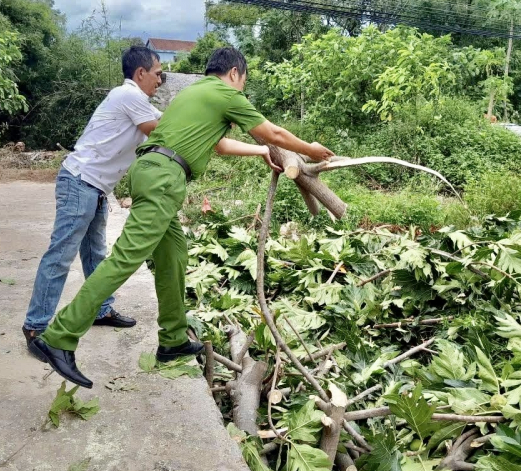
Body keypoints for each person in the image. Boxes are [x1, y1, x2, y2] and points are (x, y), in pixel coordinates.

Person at [30, 47, 334, 387]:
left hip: (153, 171)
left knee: (173, 253)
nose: (242, 90)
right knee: (125, 259)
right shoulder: (223, 92)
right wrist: (310, 149)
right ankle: (59, 336)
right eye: (243, 82)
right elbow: (272, 132)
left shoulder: (195, 94)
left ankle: (172, 339)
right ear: (235, 73)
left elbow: (220, 145)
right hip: (164, 177)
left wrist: (263, 152)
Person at [22, 46, 165, 361]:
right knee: (60, 256)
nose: (160, 80)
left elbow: (167, 124)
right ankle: (36, 328)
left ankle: (101, 310)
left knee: (95, 255)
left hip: (96, 188)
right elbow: (164, 130)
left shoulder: (138, 102)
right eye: (158, 74)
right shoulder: (128, 96)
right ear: (140, 73)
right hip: (80, 183)